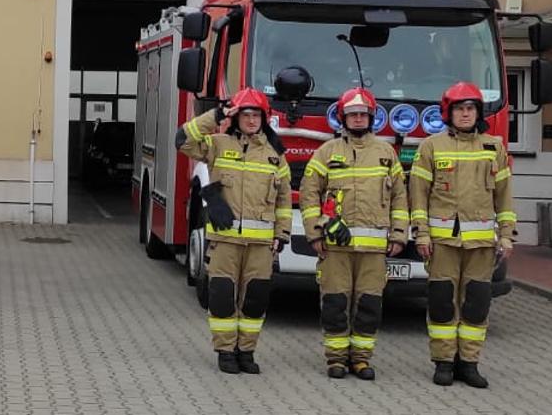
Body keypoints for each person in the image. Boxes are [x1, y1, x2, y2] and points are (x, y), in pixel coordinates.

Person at [176, 87, 291, 375]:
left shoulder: (275, 155)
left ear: (264, 119)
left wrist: (283, 234)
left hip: (261, 245)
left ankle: (246, 352)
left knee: (255, 300)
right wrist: (216, 114)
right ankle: (226, 351)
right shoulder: (217, 144)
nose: (252, 121)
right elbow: (183, 139)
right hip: (224, 241)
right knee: (222, 297)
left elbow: (284, 199)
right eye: (246, 114)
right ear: (236, 117)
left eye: (257, 115)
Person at [409, 81, 516, 388]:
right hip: (443, 243)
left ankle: (469, 363)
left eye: (471, 109)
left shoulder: (494, 147)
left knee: (477, 304)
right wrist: (422, 235)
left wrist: (506, 235)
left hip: (481, 244)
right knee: (442, 302)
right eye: (460, 109)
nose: (466, 114)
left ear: (478, 112)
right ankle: (443, 362)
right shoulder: (431, 147)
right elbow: (419, 195)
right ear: (449, 113)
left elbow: (505, 196)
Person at [300, 87, 409, 380]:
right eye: (352, 115)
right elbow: (309, 194)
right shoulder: (327, 152)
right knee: (335, 303)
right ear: (342, 119)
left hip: (374, 250)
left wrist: (399, 235)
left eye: (363, 115)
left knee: (369, 306)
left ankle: (361, 359)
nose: (358, 119)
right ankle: (336, 359)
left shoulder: (386, 153)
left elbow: (399, 197)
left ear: (371, 118)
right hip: (336, 248)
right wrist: (315, 234)